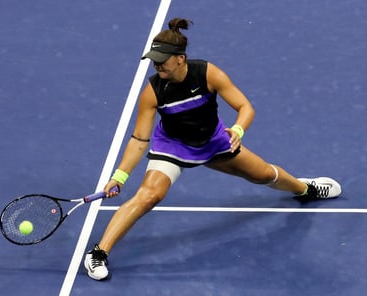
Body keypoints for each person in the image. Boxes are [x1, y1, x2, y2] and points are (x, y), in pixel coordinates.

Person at [84, 18, 342, 281]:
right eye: (154, 58)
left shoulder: (208, 74)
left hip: (213, 141)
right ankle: (98, 253)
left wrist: (238, 131)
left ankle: (306, 189)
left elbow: (245, 107)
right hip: (172, 146)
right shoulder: (153, 91)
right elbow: (140, 139)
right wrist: (120, 176)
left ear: (180, 58)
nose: (157, 63)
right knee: (149, 195)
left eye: (162, 58)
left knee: (263, 174)